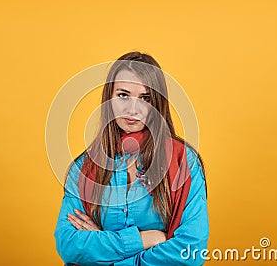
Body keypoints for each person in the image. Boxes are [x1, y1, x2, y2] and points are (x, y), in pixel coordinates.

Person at [54, 51, 209, 265]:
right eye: (123, 95)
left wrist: (105, 249)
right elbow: (70, 245)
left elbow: (190, 251)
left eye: (145, 98)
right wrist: (144, 239)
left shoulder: (183, 161)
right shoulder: (84, 167)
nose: (133, 109)